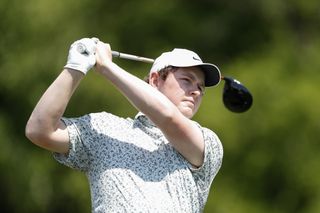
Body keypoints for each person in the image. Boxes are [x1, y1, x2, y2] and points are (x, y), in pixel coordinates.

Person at [25, 37, 224, 213]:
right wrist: (75, 67)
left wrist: (107, 68)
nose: (196, 91)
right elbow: (40, 130)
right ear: (155, 80)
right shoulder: (105, 129)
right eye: (187, 80)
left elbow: (168, 118)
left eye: (201, 87)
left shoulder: (207, 143)